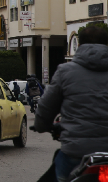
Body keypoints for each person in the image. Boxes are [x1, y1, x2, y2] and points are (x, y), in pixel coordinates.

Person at [34, 25, 108, 182]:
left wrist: (42, 126)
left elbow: (46, 108)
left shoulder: (65, 71)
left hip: (76, 153)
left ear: (79, 45)